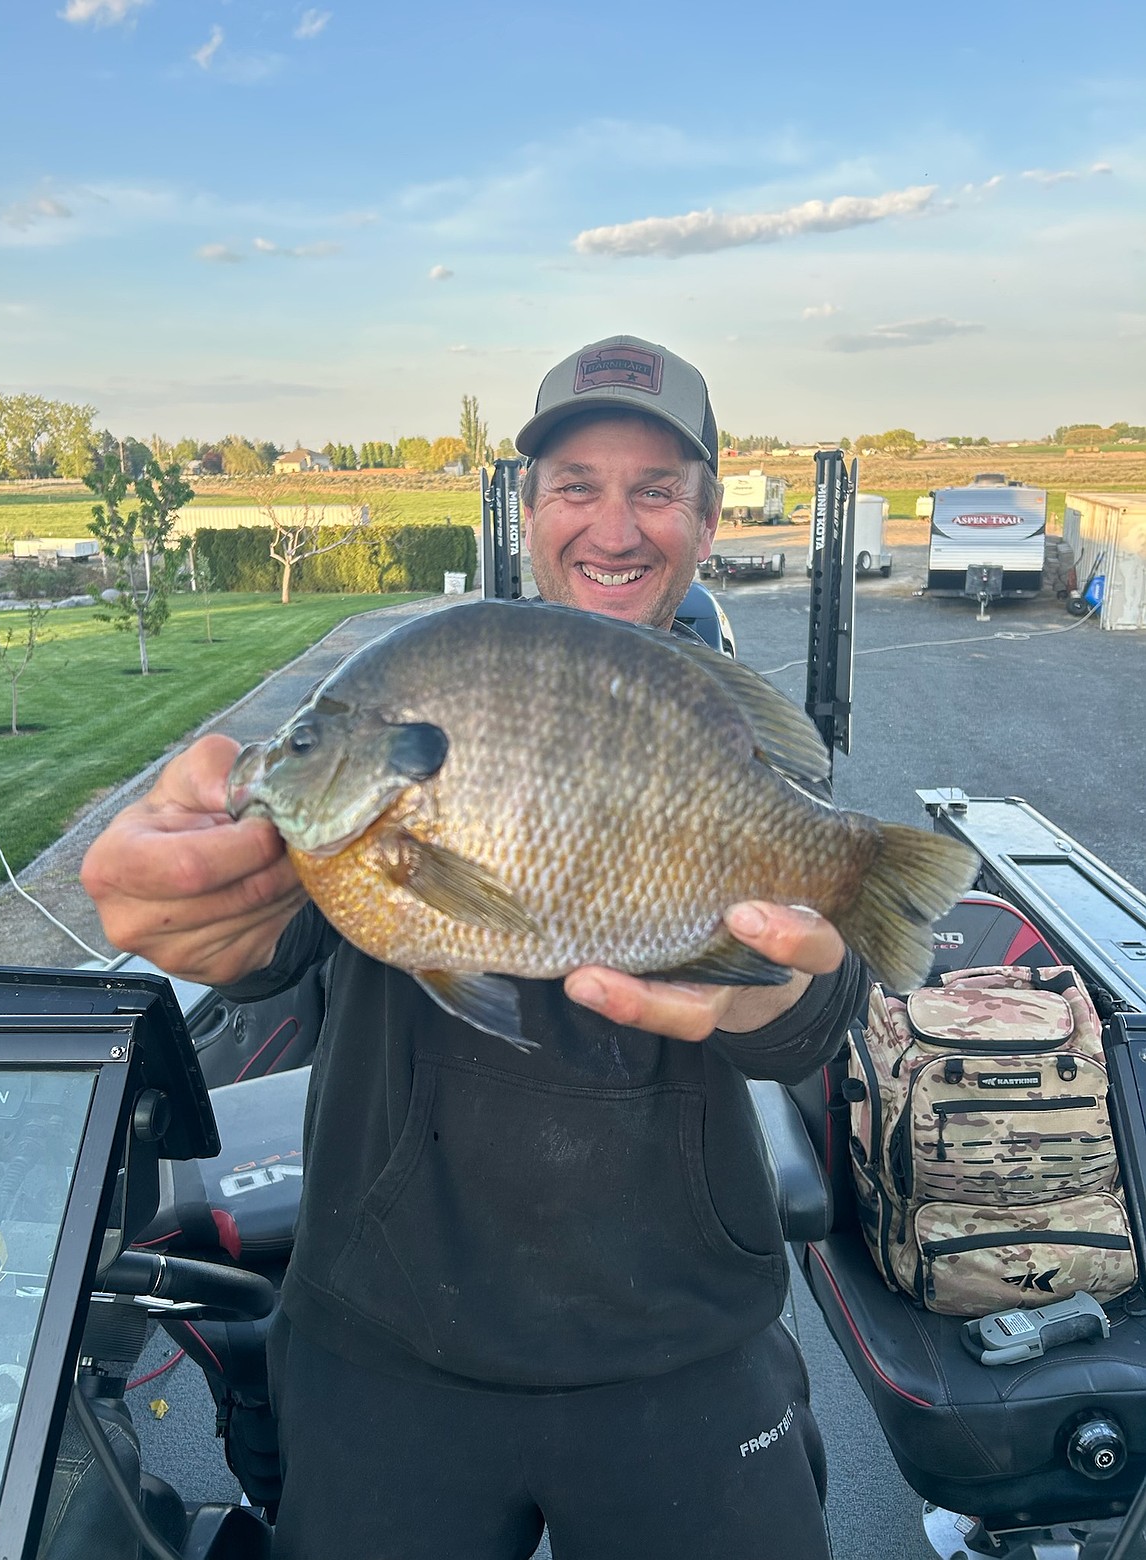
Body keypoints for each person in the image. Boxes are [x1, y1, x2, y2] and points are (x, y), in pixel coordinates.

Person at [81, 333, 866, 1560]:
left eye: (656, 489)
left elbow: (822, 997)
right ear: (527, 509)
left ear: (706, 522)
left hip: (684, 1348)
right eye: (577, 486)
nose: (615, 527)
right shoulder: (414, 695)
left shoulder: (721, 730)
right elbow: (271, 937)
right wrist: (201, 920)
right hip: (387, 1352)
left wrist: (770, 998)